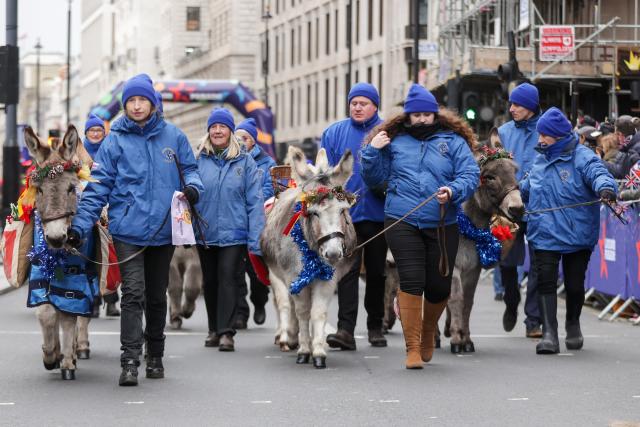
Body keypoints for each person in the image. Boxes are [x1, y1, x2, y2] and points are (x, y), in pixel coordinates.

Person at [68, 74, 204, 386]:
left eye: (142, 100)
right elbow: (97, 188)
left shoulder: (174, 137)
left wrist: (194, 189)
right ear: (125, 106)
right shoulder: (114, 140)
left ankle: (154, 355)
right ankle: (129, 360)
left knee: (157, 295)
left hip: (163, 229)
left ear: (153, 103)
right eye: (131, 101)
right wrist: (79, 227)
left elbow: (191, 171)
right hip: (127, 229)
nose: (137, 105)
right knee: (132, 294)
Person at [361, 83, 479, 369]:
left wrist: (453, 190)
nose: (423, 119)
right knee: (412, 280)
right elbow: (374, 179)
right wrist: (372, 153)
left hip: (442, 221)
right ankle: (412, 347)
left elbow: (470, 173)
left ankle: (428, 330)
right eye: (417, 115)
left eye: (428, 114)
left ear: (435, 114)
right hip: (402, 219)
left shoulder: (452, 141)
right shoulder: (393, 140)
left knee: (439, 287)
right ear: (408, 116)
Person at [520, 107, 617, 354]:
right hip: (543, 234)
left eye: (545, 135)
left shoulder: (582, 156)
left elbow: (599, 173)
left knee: (575, 285)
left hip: (577, 234)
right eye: (539, 134)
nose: (540, 139)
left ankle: (572, 323)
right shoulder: (539, 159)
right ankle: (549, 334)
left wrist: (605, 189)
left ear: (559, 135)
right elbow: (527, 187)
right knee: (546, 283)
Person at [320, 82, 387, 349]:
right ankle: (345, 329)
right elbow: (325, 173)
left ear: (375, 106)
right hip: (344, 216)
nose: (357, 107)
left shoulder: (386, 131)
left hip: (377, 213)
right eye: (354, 103)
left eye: (363, 103)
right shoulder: (334, 133)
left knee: (376, 272)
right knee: (345, 270)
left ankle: (375, 325)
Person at [195, 108, 265, 352]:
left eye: (222, 127)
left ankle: (226, 332)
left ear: (230, 131)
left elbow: (255, 202)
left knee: (228, 279)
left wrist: (255, 238)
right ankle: (213, 328)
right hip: (205, 232)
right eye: (213, 127)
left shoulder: (244, 161)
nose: (217, 131)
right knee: (210, 281)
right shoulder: (197, 160)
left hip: (234, 232)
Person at [497, 82, 541, 338]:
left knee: (538, 264)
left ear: (532, 106)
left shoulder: (546, 131)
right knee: (506, 261)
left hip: (538, 209)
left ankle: (533, 320)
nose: (512, 108)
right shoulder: (502, 132)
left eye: (517, 104)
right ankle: (511, 301)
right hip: (507, 210)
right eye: (511, 104)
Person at [234, 117, 275, 328]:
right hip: (233, 223)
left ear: (253, 141)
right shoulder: (230, 159)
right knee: (235, 273)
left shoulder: (267, 163)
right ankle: (241, 312)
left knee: (256, 269)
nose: (240, 141)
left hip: (256, 224)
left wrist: (250, 199)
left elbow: (269, 189)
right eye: (237, 137)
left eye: (245, 137)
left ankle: (260, 302)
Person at [83, 114, 121, 318]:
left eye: (99, 130)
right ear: (86, 133)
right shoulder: (79, 153)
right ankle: (95, 300)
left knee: (110, 255)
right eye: (92, 131)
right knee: (92, 257)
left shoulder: (111, 150)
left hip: (108, 207)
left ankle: (112, 299)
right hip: (88, 208)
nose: (96, 134)